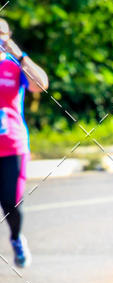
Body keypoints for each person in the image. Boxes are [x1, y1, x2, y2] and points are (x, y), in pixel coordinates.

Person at [0, 18, 48, 267]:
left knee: (10, 200)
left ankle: (17, 238)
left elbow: (40, 85)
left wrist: (20, 56)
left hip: (11, 146)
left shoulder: (12, 66)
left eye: (1, 35)